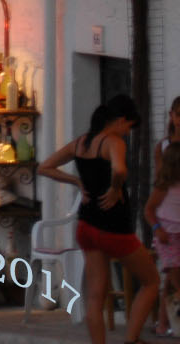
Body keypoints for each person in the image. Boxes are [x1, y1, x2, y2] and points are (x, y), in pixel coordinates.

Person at [38, 95, 159, 344]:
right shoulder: (113, 142)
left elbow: (45, 167)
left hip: (87, 225)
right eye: (128, 127)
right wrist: (115, 188)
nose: (127, 133)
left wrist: (76, 181)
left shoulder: (81, 142)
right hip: (114, 228)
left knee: (94, 297)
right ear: (121, 120)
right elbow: (120, 169)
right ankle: (132, 339)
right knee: (151, 281)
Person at [146, 142, 180, 337]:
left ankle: (166, 323)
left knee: (173, 275)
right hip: (167, 235)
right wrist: (157, 228)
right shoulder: (164, 187)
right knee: (174, 269)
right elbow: (149, 210)